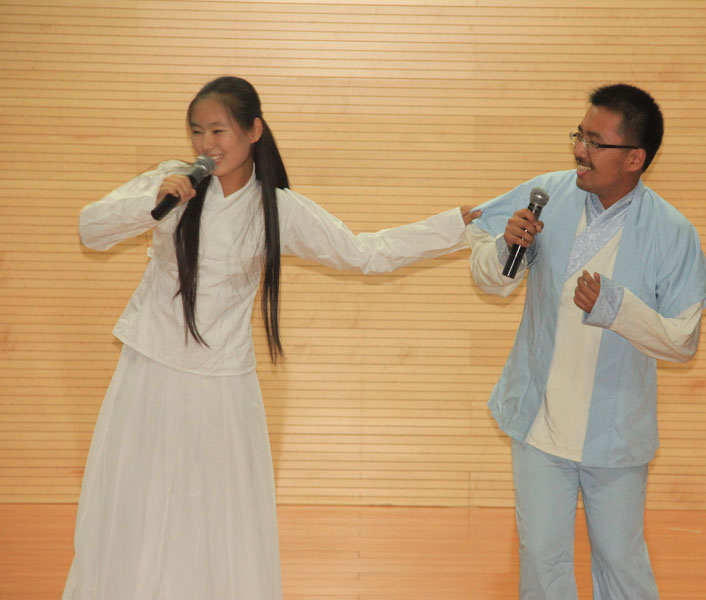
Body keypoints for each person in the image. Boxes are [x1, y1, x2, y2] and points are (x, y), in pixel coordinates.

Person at [64, 75, 481, 600]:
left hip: (222, 385)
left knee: (213, 510)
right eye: (197, 131)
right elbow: (91, 230)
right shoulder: (171, 182)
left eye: (218, 130)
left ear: (253, 130)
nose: (206, 144)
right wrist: (152, 197)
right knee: (137, 501)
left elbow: (364, 253)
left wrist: (452, 227)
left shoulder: (277, 209)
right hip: (149, 373)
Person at [466, 83, 706, 599]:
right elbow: (489, 276)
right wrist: (501, 250)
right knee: (542, 560)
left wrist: (617, 309)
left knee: (620, 562)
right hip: (538, 419)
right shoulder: (546, 193)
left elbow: (683, 340)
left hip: (616, 429)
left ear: (634, 158)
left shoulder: (672, 230)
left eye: (595, 142)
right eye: (579, 136)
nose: (580, 151)